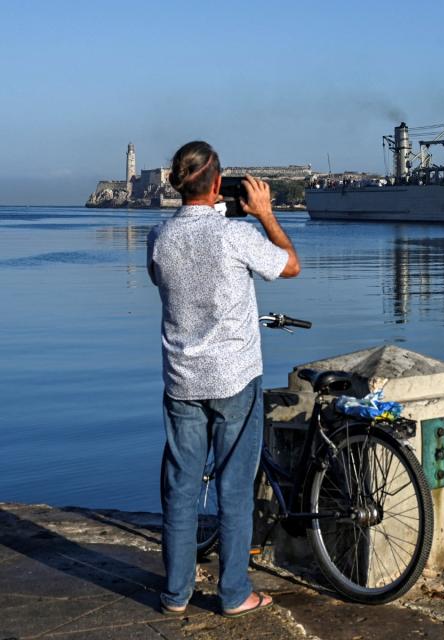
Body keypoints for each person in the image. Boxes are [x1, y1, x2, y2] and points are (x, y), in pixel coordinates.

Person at [147, 141, 300, 616]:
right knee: (234, 487)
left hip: (182, 381)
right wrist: (266, 214)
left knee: (181, 486)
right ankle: (233, 593)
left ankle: (175, 594)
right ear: (217, 184)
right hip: (234, 379)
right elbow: (290, 264)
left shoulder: (159, 237)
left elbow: (161, 281)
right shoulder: (235, 236)